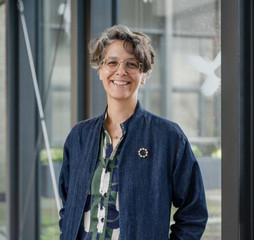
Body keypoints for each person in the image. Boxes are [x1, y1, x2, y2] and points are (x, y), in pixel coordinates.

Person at [58, 25, 208, 240]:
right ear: (100, 70)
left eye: (131, 64)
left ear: (144, 74)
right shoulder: (79, 136)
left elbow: (194, 212)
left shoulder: (168, 137)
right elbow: (68, 204)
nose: (121, 71)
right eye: (112, 62)